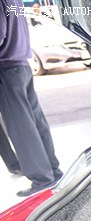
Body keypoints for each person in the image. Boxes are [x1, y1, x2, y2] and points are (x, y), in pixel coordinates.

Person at [0, 0, 62, 196]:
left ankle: (42, 178)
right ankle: (53, 171)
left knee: (21, 129)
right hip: (21, 64)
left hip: (6, 68)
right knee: (36, 122)